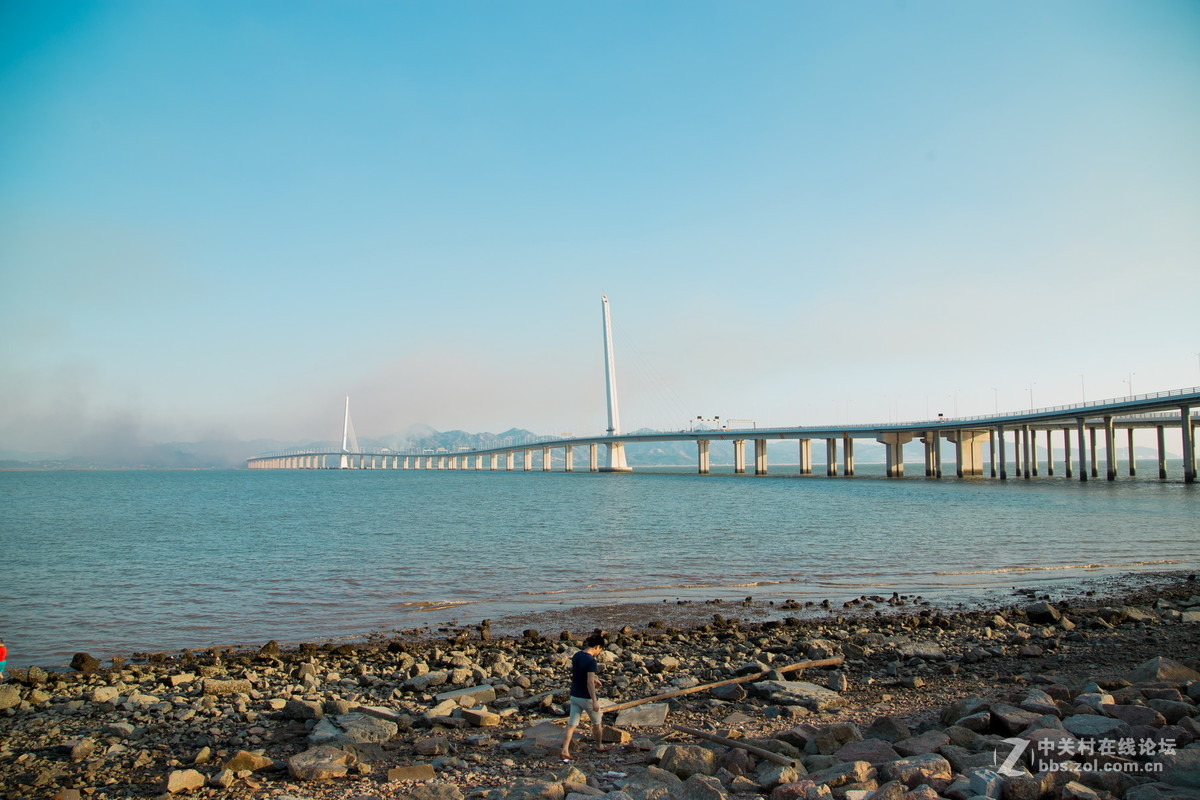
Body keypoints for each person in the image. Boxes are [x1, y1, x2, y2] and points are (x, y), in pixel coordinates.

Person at [561, 632, 608, 760]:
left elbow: (580, 675)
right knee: (597, 723)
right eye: (600, 649)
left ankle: (565, 750)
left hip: (574, 695)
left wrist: (594, 679)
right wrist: (594, 701)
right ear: (597, 647)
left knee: (571, 725)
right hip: (586, 697)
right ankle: (599, 745)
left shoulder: (577, 655)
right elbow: (588, 682)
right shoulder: (591, 661)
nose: (599, 652)